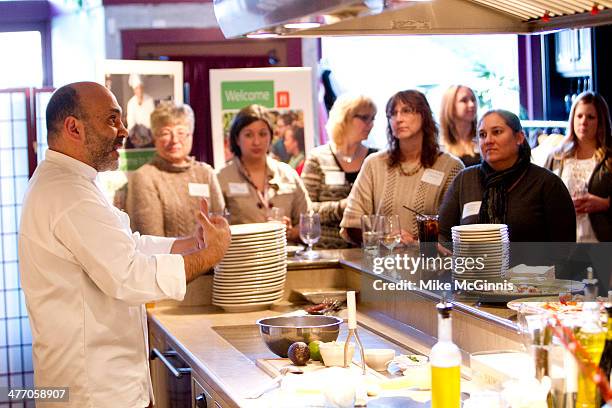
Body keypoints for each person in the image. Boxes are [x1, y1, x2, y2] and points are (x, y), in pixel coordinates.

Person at [18, 82, 231, 407]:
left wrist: (189, 243)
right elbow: (129, 274)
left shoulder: (74, 182)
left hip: (100, 382)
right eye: (112, 120)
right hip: (94, 391)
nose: (124, 130)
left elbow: (128, 246)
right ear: (73, 128)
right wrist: (208, 256)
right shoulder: (68, 193)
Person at [340, 90, 464, 244]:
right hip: (382, 263)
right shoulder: (374, 164)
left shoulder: (450, 166)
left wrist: (414, 241)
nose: (398, 119)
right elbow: (351, 224)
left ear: (424, 115)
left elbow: (455, 230)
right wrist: (385, 239)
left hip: (431, 262)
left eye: (406, 111)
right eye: (393, 113)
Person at [439, 109, 576, 242]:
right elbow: (442, 233)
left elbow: (564, 248)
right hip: (473, 264)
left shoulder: (546, 183)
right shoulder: (465, 180)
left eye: (497, 132)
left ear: (519, 137)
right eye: (482, 135)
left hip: (534, 265)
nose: (488, 140)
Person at [126, 102, 225, 237]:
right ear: (154, 137)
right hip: (170, 258)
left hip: (215, 257)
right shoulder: (144, 177)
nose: (174, 140)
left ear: (191, 135)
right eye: (165, 133)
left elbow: (222, 227)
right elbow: (152, 241)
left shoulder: (206, 173)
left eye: (181, 132)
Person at [218, 104, 311, 242]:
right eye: (249, 135)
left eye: (262, 134)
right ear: (237, 138)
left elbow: (309, 224)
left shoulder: (288, 174)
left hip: (283, 257)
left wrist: (291, 232)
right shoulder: (221, 178)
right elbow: (213, 230)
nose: (256, 142)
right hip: (241, 259)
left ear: (271, 137)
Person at [301, 94, 378, 249]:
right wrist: (346, 207)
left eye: (373, 118)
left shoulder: (376, 159)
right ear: (345, 117)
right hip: (326, 254)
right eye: (364, 118)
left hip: (367, 253)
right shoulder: (318, 158)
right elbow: (307, 210)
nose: (370, 124)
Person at [544, 92, 612, 242]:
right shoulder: (556, 157)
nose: (583, 122)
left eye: (590, 117)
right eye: (579, 116)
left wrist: (606, 204)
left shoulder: (609, 158)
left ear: (601, 122)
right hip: (565, 243)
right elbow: (541, 197)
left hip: (601, 243)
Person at [439, 85, 480, 167]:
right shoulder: (438, 144)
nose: (472, 104)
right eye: (464, 100)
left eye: (473, 99)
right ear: (450, 106)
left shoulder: (483, 139)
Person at [126, 73, 155, 148]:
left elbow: (153, 118)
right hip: (136, 136)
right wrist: (133, 136)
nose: (139, 90)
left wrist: (152, 135)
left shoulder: (150, 100)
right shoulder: (131, 103)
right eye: (137, 88)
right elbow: (131, 121)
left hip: (150, 135)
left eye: (140, 88)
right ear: (134, 90)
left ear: (143, 88)